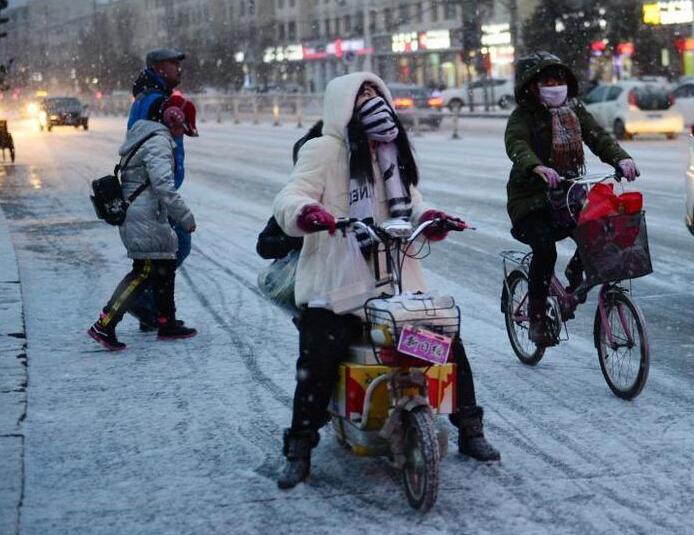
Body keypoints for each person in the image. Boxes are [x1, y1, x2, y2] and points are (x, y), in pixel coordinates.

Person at [272, 72, 500, 490]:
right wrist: (309, 214)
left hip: (396, 290)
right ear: (342, 104)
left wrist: (430, 219)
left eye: (378, 93)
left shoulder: (394, 152)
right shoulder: (323, 150)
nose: (372, 101)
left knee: (444, 345)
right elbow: (291, 195)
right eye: (363, 95)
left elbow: (413, 203)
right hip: (338, 288)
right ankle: (299, 448)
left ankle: (470, 429)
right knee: (318, 360)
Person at [504, 52, 638, 346]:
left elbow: (599, 138)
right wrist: (537, 166)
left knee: (600, 235)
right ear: (531, 86)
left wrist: (622, 159)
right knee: (545, 250)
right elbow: (517, 144)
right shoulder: (523, 116)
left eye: (559, 79)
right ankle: (537, 317)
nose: (555, 86)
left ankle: (573, 278)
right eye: (547, 81)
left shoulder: (574, 110)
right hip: (530, 200)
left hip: (566, 194)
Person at [88, 101, 198, 351]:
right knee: (145, 271)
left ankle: (166, 321)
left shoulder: (150, 137)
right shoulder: (158, 142)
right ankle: (104, 323)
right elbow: (163, 187)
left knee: (165, 266)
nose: (183, 135)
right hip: (143, 214)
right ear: (174, 120)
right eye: (183, 129)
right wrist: (185, 217)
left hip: (146, 213)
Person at [127, 48, 197, 330]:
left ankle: (151, 310)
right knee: (173, 246)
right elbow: (159, 148)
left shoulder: (148, 96)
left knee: (161, 253)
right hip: (153, 188)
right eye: (173, 64)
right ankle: (145, 304)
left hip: (149, 185)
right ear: (158, 67)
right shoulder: (156, 101)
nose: (178, 69)